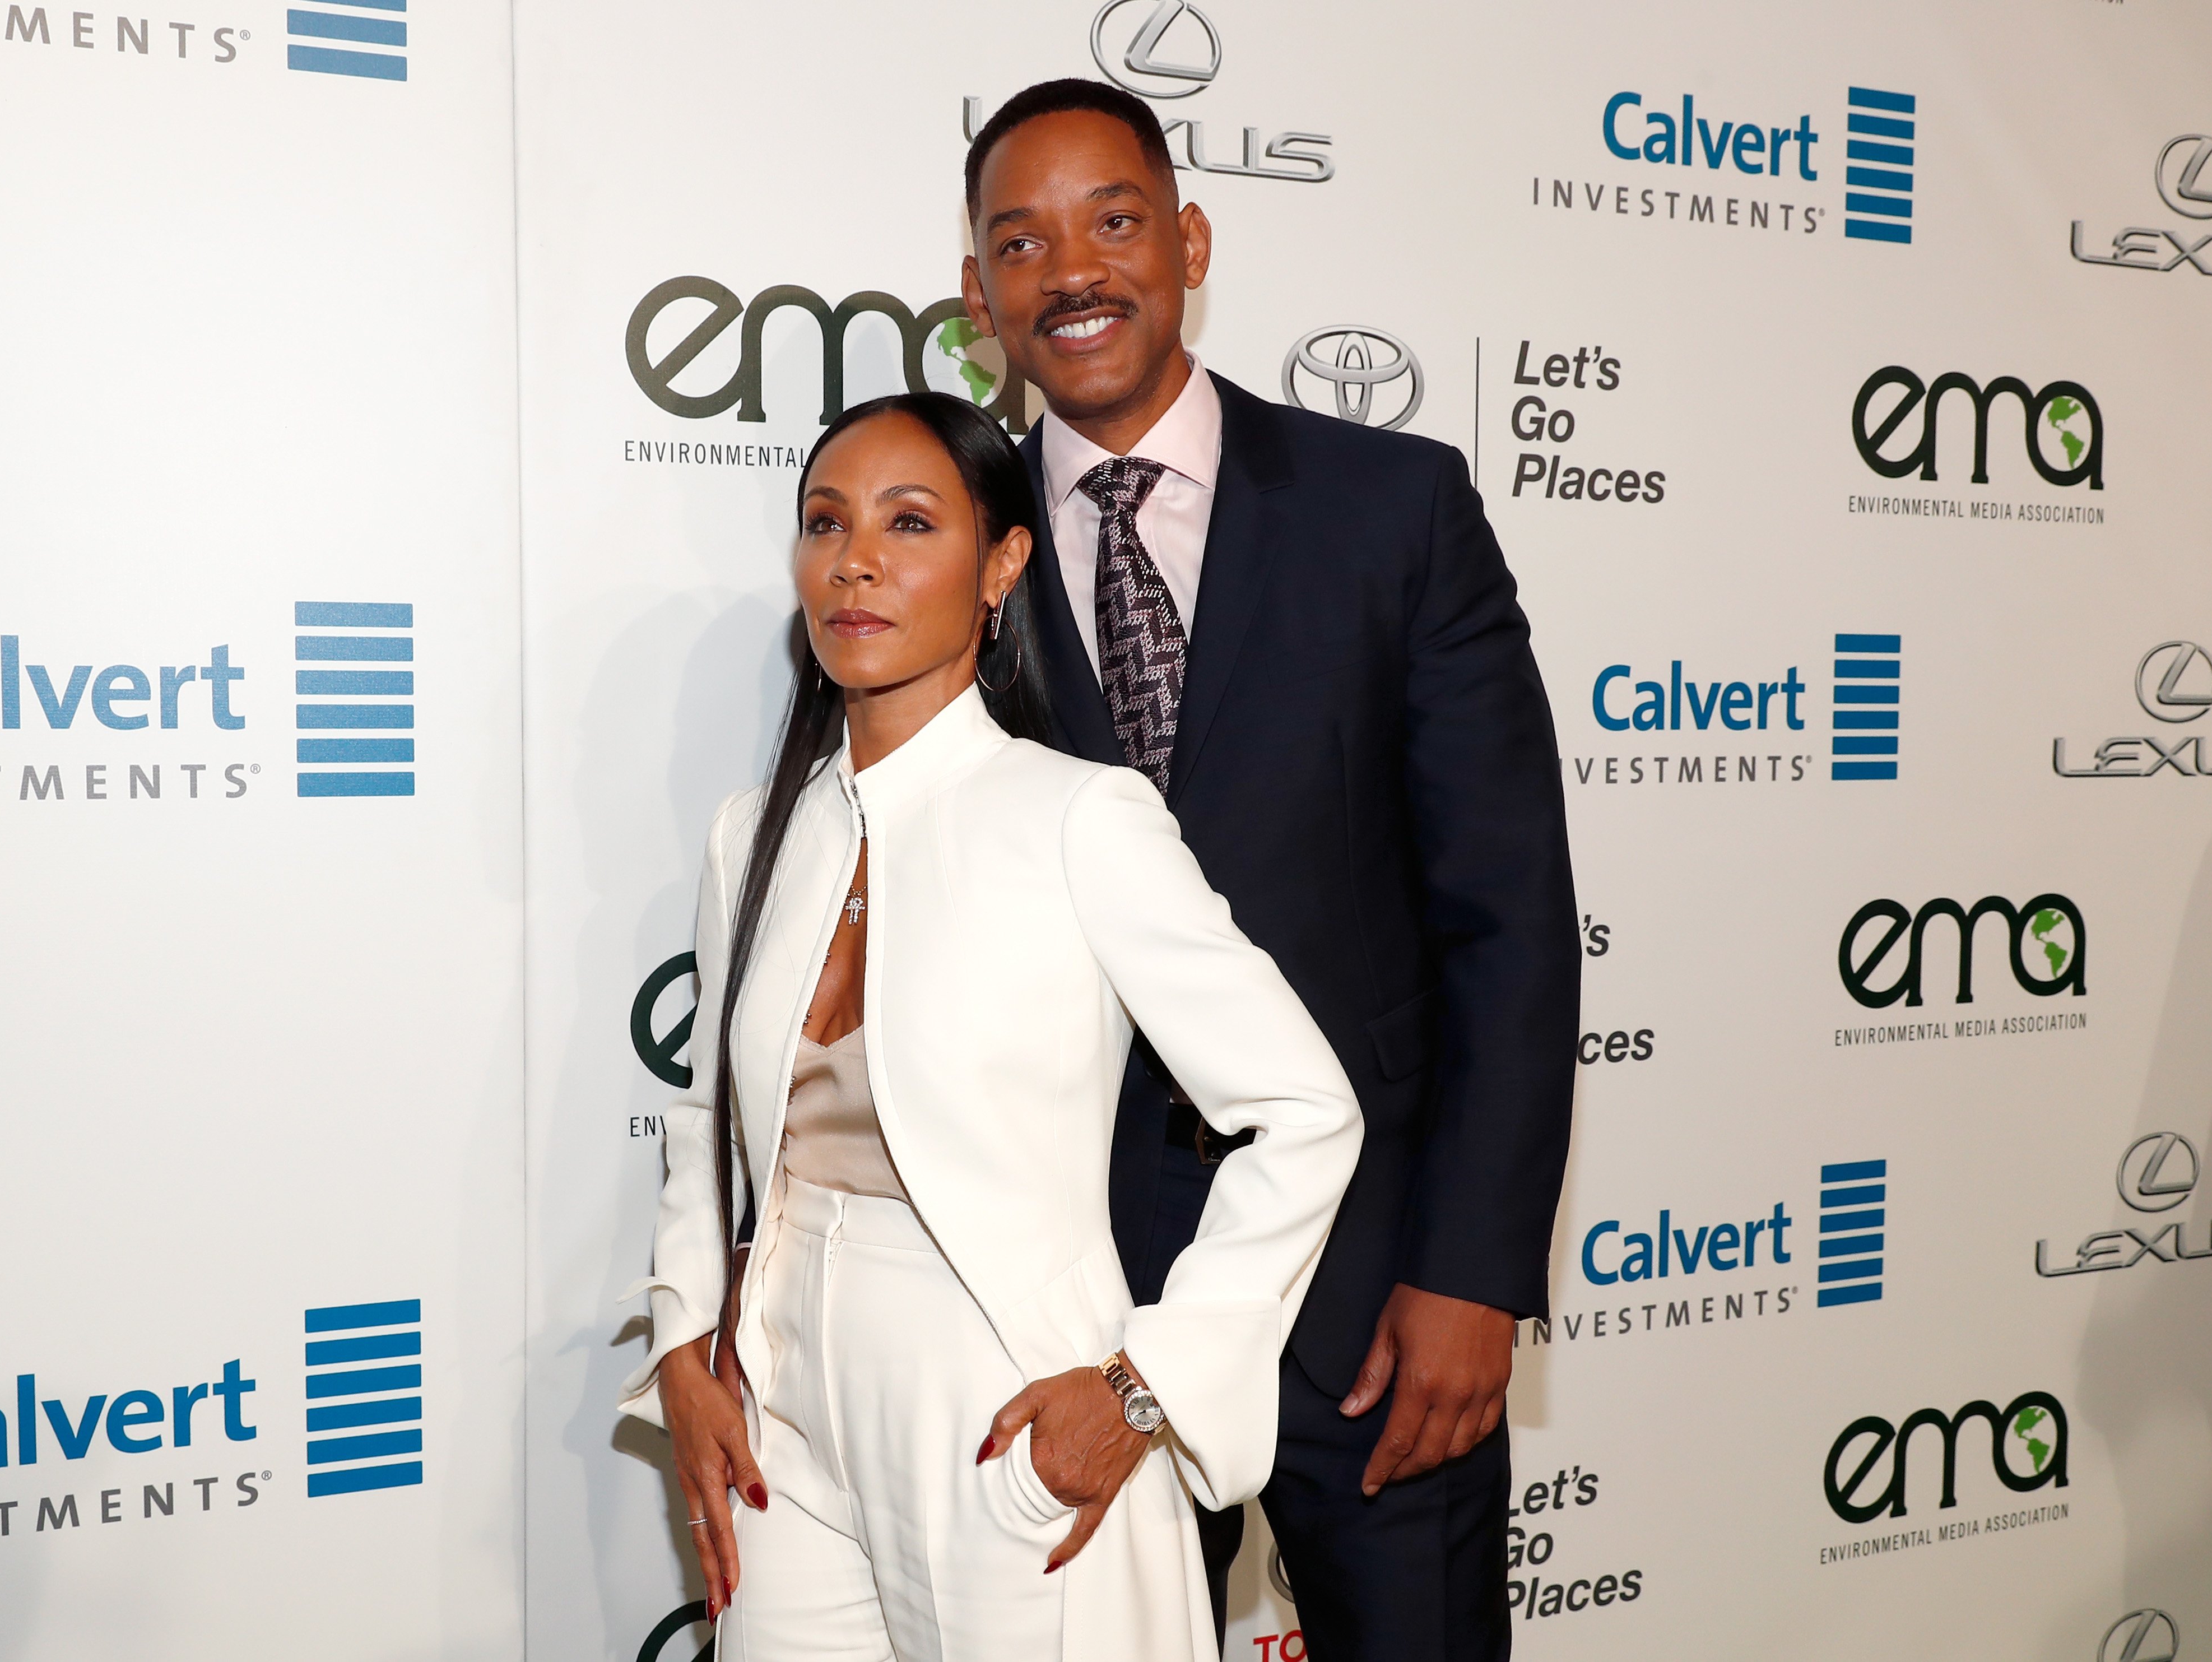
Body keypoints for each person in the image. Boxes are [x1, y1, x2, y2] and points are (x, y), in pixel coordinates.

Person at [955, 80, 1581, 1661]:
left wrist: (1469, 1272)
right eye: (1020, 242)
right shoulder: (943, 550)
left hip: (1370, 1297)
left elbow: (1506, 919)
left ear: (1191, 238)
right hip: (1066, 1303)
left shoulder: (1395, 509)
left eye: (1114, 220)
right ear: (978, 296)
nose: (1072, 270)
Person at [619, 391, 1363, 1662]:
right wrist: (688, 1340)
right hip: (781, 1394)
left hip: (1001, 1403)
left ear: (1001, 564)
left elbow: (1306, 1111)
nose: (852, 559)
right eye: (823, 522)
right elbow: (705, 1123)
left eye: (909, 523)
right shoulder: (753, 832)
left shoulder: (1077, 817)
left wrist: (1146, 1389)